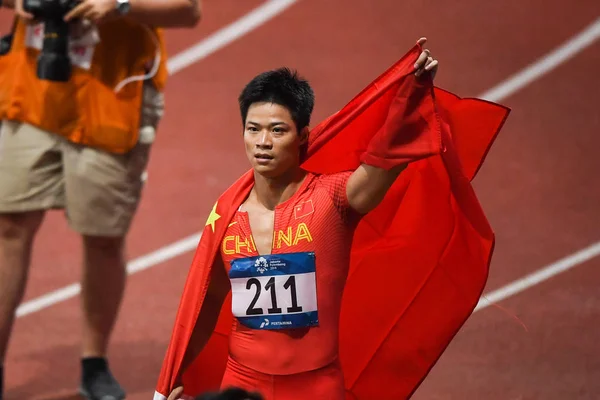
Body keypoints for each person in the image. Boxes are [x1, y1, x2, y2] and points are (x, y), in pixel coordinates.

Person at [154, 38, 510, 400]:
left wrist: (413, 91)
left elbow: (386, 159)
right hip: (243, 385)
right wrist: (172, 378)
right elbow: (206, 301)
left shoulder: (333, 199)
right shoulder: (227, 216)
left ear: (302, 136)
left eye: (278, 130)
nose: (263, 142)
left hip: (316, 388)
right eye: (253, 129)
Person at [0, 0, 202, 398]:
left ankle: (94, 363)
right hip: (33, 92)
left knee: (103, 237)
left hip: (112, 99)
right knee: (8, 228)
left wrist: (120, 5)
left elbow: (187, 10)